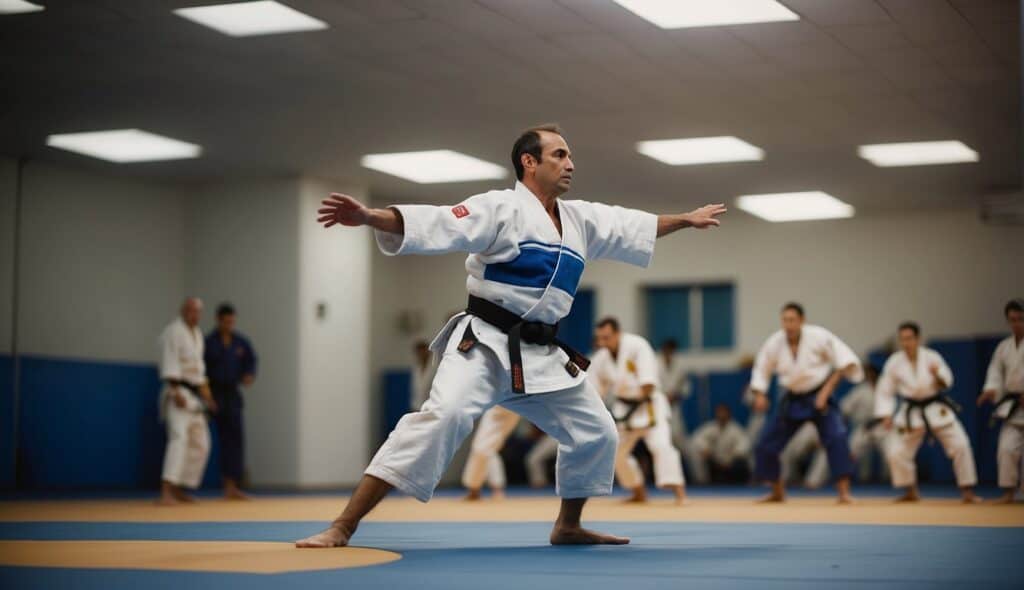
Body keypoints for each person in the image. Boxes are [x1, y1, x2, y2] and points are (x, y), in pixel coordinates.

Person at [296, 124, 726, 548]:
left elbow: (634, 225)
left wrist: (686, 220)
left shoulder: (581, 221)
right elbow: (441, 222)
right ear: (529, 161)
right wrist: (372, 215)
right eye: (559, 155)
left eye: (570, 156)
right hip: (483, 343)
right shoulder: (499, 208)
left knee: (598, 432)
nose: (570, 164)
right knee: (442, 418)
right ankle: (344, 525)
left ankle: (568, 526)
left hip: (540, 353)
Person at [750, 303, 862, 503]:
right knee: (766, 444)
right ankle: (777, 491)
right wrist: (760, 394)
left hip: (820, 395)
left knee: (837, 438)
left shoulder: (819, 336)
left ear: (802, 320)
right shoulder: (775, 343)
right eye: (785, 320)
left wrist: (826, 392)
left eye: (792, 320)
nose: (788, 325)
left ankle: (844, 492)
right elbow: (761, 369)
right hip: (793, 398)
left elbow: (845, 363)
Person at [875, 322, 980, 503]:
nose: (906, 343)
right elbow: (885, 390)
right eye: (902, 339)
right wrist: (885, 414)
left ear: (918, 339)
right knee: (897, 452)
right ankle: (911, 491)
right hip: (910, 411)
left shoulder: (932, 357)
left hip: (935, 408)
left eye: (909, 338)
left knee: (961, 445)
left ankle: (967, 492)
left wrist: (937, 376)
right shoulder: (894, 362)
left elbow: (946, 382)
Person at [590, 318, 687, 504]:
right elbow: (595, 389)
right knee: (616, 452)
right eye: (599, 338)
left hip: (649, 405)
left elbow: (648, 383)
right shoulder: (600, 358)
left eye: (606, 337)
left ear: (618, 333)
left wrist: (636, 403)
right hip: (623, 407)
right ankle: (638, 492)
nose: (602, 342)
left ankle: (680, 494)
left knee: (661, 446)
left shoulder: (637, 346)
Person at [157, 297, 217, 505]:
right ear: (183, 310)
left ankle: (180, 488)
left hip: (195, 396)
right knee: (178, 439)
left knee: (201, 444)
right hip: (178, 391)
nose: (195, 315)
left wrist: (208, 397)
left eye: (198, 311)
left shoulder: (197, 334)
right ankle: (166, 490)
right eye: (191, 310)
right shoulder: (173, 331)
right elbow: (169, 362)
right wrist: (175, 391)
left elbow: (199, 371)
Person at [204, 303, 257, 500]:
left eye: (232, 322)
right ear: (218, 320)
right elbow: (200, 369)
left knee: (235, 440)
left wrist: (249, 374)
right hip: (212, 393)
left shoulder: (240, 343)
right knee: (202, 440)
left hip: (232, 395)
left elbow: (251, 361)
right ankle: (185, 486)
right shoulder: (208, 343)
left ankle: (231, 486)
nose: (229, 325)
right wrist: (206, 396)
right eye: (226, 321)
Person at [977, 299, 1024, 503]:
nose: (1016, 324)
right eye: (1012, 320)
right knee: (1006, 449)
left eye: (1020, 319)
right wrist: (990, 389)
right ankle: (1008, 493)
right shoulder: (1004, 347)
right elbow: (995, 371)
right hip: (1013, 406)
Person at [841, 364, 890, 482]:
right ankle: (847, 478)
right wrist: (844, 419)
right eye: (868, 374)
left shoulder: (886, 389)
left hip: (883, 426)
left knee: (891, 451)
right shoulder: (860, 390)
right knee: (851, 450)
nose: (870, 376)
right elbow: (845, 407)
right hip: (864, 426)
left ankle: (889, 479)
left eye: (872, 373)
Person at [460, 405, 518, 500]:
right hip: (498, 403)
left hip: (517, 400)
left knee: (486, 448)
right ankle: (477, 489)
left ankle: (482, 489)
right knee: (482, 448)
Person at [691, 404, 751, 483]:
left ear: (729, 414)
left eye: (724, 413)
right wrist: (705, 449)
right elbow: (697, 438)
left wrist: (734, 455)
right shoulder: (711, 427)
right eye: (719, 413)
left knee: (741, 463)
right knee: (698, 455)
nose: (722, 415)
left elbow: (745, 444)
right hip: (714, 461)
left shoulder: (735, 429)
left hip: (731, 461)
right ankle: (702, 482)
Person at [410, 340, 435, 411]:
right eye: (418, 352)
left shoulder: (435, 368)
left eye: (423, 351)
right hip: (417, 406)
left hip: (431, 407)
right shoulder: (416, 369)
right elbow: (415, 391)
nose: (421, 354)